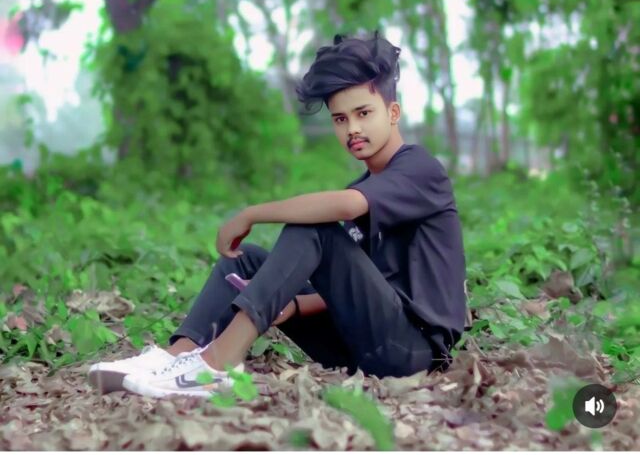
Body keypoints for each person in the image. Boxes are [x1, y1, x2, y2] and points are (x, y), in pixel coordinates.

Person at [88, 30, 467, 399]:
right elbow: (363, 287)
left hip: (412, 352)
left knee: (314, 228)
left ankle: (215, 366)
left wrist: (253, 213)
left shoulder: (420, 169)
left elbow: (347, 207)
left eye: (363, 113)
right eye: (340, 119)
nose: (352, 129)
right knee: (245, 260)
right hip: (358, 347)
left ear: (393, 112)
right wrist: (294, 305)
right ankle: (174, 358)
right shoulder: (367, 185)